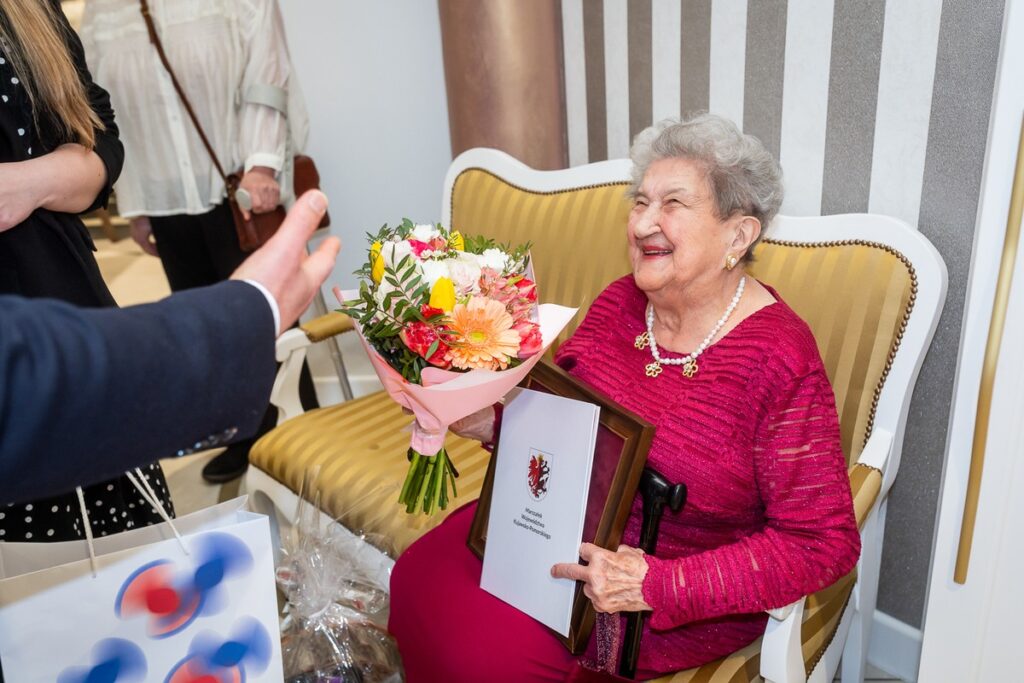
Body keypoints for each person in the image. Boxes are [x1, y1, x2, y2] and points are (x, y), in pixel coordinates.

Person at [387, 114, 862, 681]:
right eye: (640, 203)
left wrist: (657, 584)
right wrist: (487, 421)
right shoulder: (620, 302)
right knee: (416, 578)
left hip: (657, 600)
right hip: (545, 532)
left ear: (738, 235)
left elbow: (821, 542)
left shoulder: (780, 357)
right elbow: (559, 420)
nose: (643, 225)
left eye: (673, 205)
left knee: (479, 660)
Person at [79, 0, 317, 483]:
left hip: (240, 189)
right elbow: (110, 109)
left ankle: (304, 431)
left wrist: (262, 164)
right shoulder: (103, 11)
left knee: (268, 319)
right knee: (205, 328)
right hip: (168, 200)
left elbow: (267, 77)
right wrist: (138, 202)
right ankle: (244, 439)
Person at [0, 189, 338, 506]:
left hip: (228, 188)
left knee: (279, 333)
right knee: (198, 290)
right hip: (167, 199)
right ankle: (240, 439)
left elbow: (108, 139)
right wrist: (249, 311)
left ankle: (304, 442)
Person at [0, 0, 183, 542]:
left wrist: (33, 182)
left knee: (123, 558)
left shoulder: (28, 7)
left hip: (63, 297)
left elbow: (99, 135)